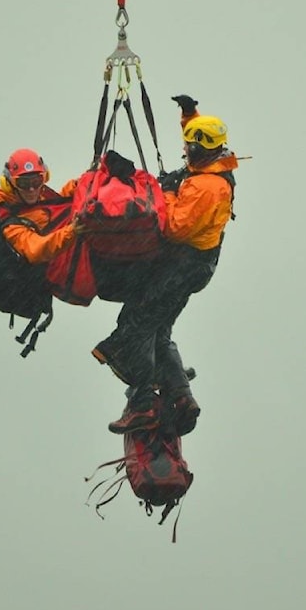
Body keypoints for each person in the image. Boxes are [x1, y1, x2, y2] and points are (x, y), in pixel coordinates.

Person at [91, 95, 238, 436]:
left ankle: (142, 405)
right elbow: (197, 134)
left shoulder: (207, 187)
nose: (187, 151)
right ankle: (182, 398)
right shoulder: (212, 165)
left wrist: (160, 194)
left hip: (184, 266)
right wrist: (190, 114)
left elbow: (175, 226)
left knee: (138, 324)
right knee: (159, 329)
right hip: (192, 264)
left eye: (192, 147)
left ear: (206, 151)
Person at [0, 148, 82, 263]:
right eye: (23, 183)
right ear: (9, 184)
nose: (31, 189)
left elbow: (58, 204)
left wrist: (81, 184)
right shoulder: (10, 223)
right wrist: (72, 231)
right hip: (50, 274)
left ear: (45, 178)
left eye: (36, 181)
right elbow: (36, 250)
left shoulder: (42, 196)